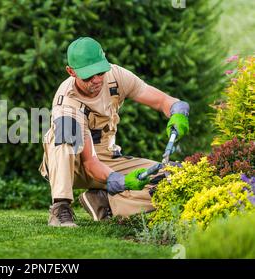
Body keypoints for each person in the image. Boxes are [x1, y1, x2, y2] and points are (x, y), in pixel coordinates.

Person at [39, 37, 189, 227]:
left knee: (169, 176)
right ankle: (61, 208)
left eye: (100, 72)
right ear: (71, 72)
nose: (96, 80)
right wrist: (120, 180)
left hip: (107, 158)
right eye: (88, 76)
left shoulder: (116, 76)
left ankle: (103, 202)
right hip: (74, 165)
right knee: (63, 134)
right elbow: (90, 163)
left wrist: (177, 110)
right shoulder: (67, 102)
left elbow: (161, 101)